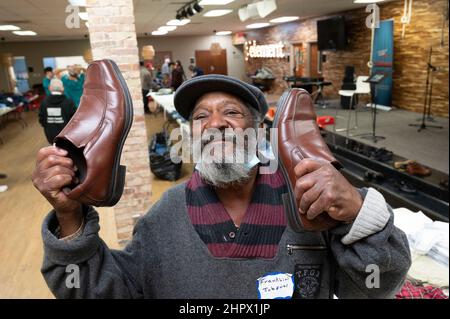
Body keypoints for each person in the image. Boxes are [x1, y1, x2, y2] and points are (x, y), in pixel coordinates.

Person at [32, 75, 411, 299]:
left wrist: (358, 215)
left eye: (231, 113)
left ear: (260, 132)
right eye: (200, 117)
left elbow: (377, 285)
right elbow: (96, 291)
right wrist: (70, 215)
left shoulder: (308, 204)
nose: (215, 124)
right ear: (192, 136)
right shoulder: (166, 215)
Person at [38, 78, 77, 144]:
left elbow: (41, 119)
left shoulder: (44, 102)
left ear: (50, 88)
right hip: (66, 136)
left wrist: (48, 127)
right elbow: (74, 119)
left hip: (50, 135)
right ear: (63, 88)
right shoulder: (69, 102)